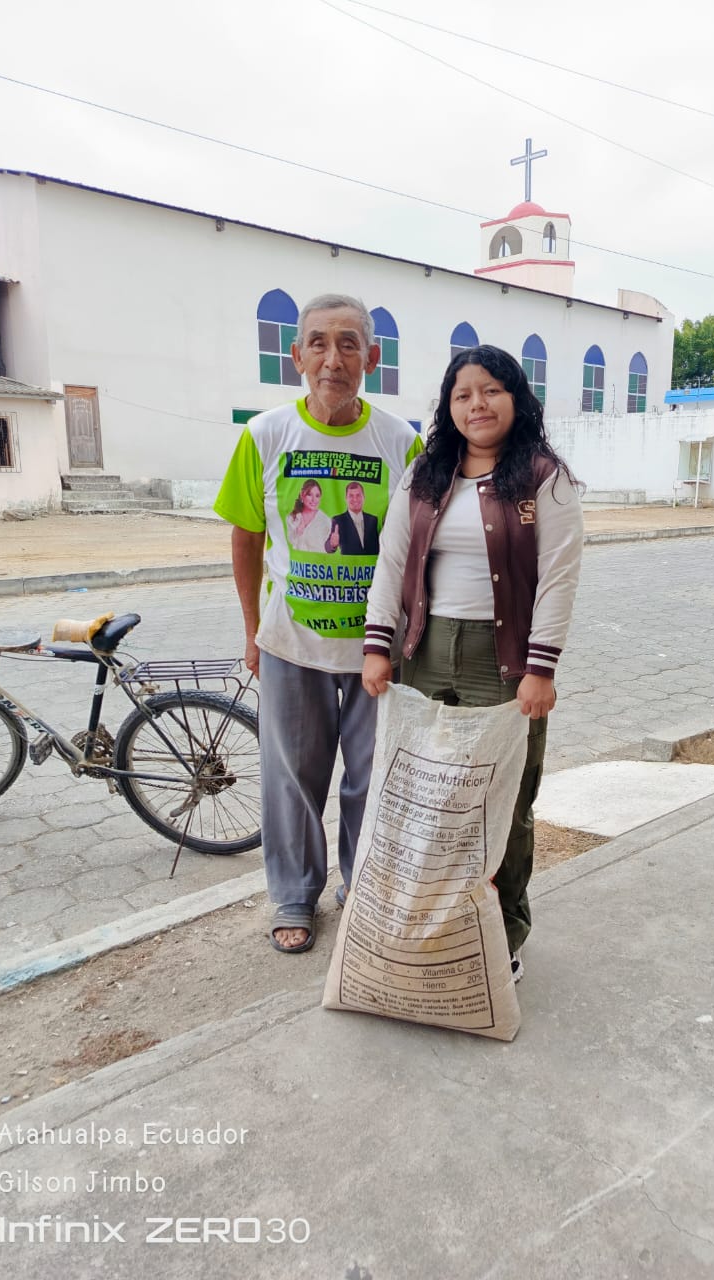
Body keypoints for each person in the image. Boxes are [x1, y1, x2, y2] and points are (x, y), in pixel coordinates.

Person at [362, 345, 583, 981]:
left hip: (504, 663)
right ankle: (427, 927)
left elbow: (559, 577)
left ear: (516, 398)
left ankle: (502, 934)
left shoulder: (544, 478)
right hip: (425, 655)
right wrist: (377, 646)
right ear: (448, 406)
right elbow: (391, 560)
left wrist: (541, 669)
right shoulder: (425, 474)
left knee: (504, 803)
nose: (476, 404)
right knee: (424, 796)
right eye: (463, 394)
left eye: (490, 391)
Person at [214, 294, 423, 954]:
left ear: (372, 358)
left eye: (349, 343)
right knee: (292, 780)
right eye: (319, 343)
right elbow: (246, 537)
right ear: (297, 356)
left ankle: (363, 885)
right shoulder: (265, 435)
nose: (334, 358)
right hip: (291, 644)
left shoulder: (401, 442)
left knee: (373, 777)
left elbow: (418, 548)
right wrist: (253, 629)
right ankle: (294, 894)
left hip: (376, 650)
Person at [325, 481, 380, 556]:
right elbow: (327, 547)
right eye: (351, 496)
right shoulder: (338, 520)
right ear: (346, 498)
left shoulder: (373, 519)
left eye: (358, 495)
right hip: (349, 563)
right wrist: (332, 544)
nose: (355, 499)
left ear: (363, 497)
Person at [286, 479, 333, 552]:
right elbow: (291, 542)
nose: (314, 500)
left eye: (317, 496)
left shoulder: (325, 520)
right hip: (298, 558)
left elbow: (328, 548)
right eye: (309, 495)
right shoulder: (292, 517)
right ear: (302, 495)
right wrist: (298, 532)